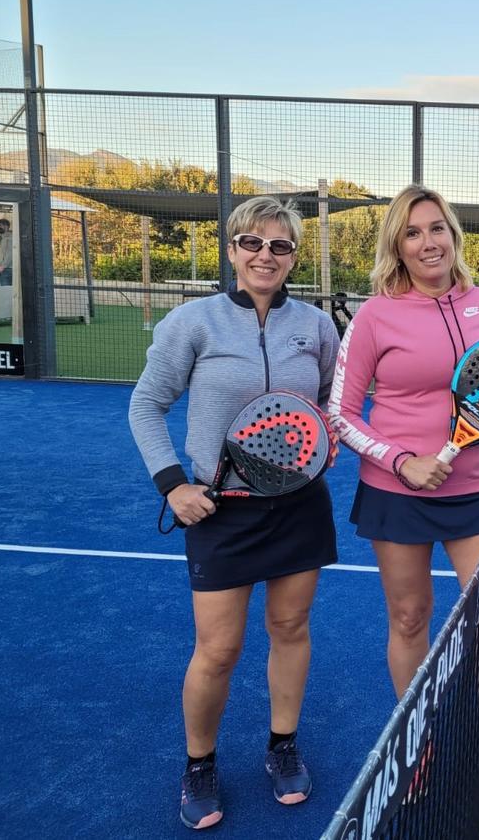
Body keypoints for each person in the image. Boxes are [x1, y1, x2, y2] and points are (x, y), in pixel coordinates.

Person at [128, 196, 340, 830]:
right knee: (218, 650)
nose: (264, 256)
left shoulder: (315, 326)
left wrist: (318, 443)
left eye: (279, 246)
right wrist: (172, 486)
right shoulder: (194, 322)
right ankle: (199, 762)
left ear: (294, 256)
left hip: (300, 506)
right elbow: (146, 406)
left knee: (291, 628)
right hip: (221, 513)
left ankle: (282, 747)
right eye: (252, 243)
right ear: (232, 250)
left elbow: (330, 401)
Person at [327, 184, 479, 824]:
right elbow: (340, 413)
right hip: (397, 494)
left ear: (453, 235)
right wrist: (400, 461)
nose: (428, 243)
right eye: (414, 232)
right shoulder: (374, 317)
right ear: (397, 244)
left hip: (477, 490)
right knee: (411, 617)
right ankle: (416, 744)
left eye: (437, 229)